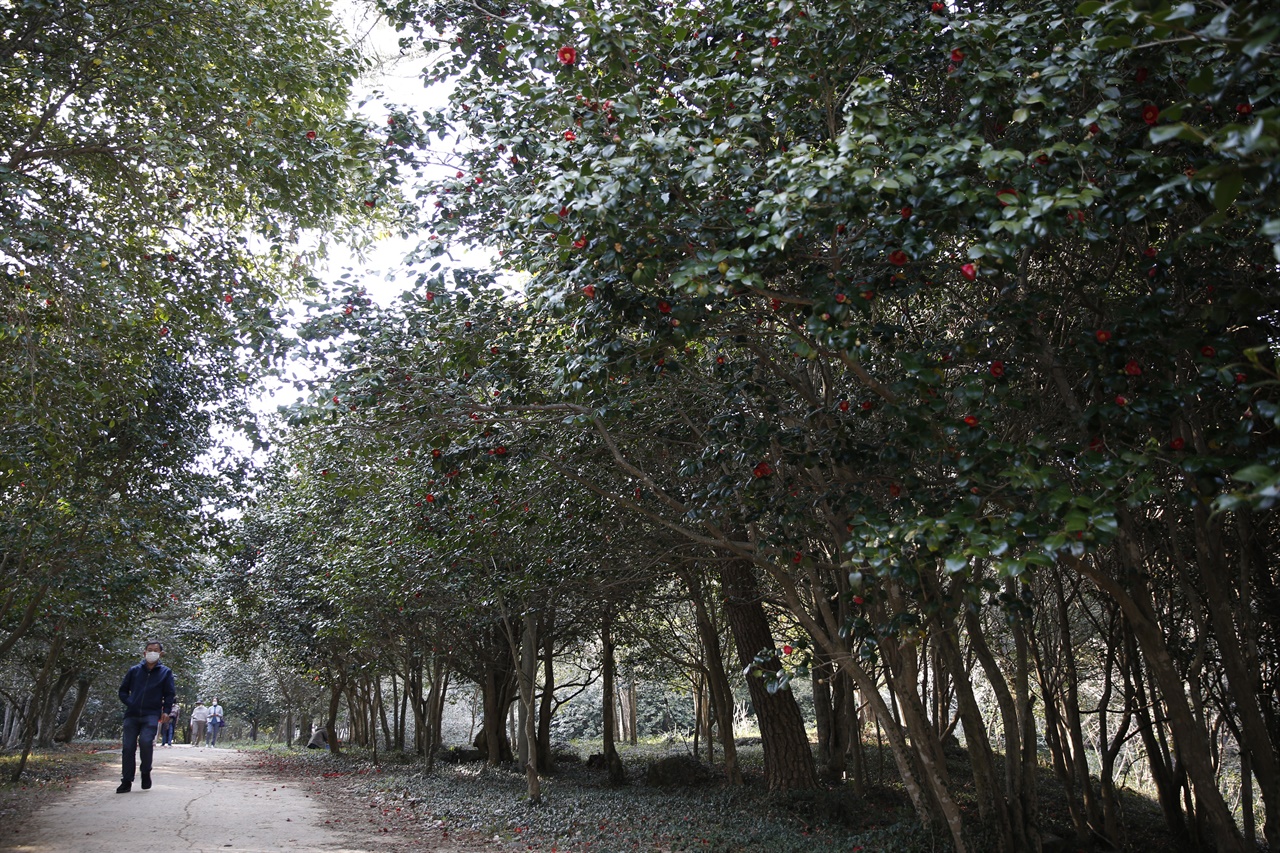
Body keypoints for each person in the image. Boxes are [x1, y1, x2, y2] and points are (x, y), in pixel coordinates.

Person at [116, 640, 175, 793]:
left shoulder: (165, 672)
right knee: (128, 747)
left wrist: (166, 711)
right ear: (144, 652)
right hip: (132, 715)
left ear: (161, 653)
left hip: (151, 714)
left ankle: (146, 771)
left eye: (156, 650)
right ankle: (126, 781)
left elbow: (169, 694)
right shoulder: (134, 671)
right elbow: (123, 691)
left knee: (146, 742)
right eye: (150, 650)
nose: (152, 652)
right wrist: (131, 702)